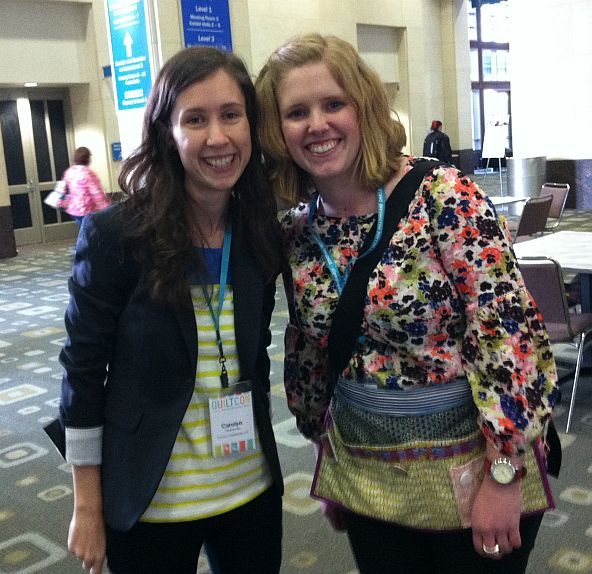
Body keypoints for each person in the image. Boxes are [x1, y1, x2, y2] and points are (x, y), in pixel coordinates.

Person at [256, 33, 557, 574]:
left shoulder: (442, 195)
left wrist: (504, 473)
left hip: (474, 470)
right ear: (277, 131)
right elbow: (312, 354)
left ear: (364, 108)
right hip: (367, 478)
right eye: (296, 112)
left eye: (333, 104)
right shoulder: (298, 230)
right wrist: (328, 456)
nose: (317, 124)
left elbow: (506, 331)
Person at [57, 46, 284, 574]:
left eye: (231, 115)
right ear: (167, 133)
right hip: (151, 501)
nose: (217, 137)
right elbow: (82, 373)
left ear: (251, 126)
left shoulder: (258, 231)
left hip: (249, 491)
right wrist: (87, 505)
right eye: (195, 119)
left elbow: (255, 357)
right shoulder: (117, 235)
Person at [60, 146, 111, 227]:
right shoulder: (88, 173)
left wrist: (63, 202)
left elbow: (62, 188)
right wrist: (105, 207)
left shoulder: (69, 172)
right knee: (90, 231)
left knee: (82, 229)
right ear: (88, 159)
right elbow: (96, 193)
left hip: (73, 209)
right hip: (86, 209)